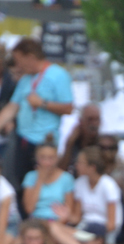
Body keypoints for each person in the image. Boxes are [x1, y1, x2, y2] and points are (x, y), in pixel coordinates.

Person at [0, 38, 73, 188]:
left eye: (19, 60)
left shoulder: (58, 75)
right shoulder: (25, 80)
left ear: (31, 57)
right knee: (20, 182)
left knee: (40, 184)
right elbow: (12, 107)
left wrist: (43, 104)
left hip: (44, 141)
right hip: (23, 140)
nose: (17, 65)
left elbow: (68, 108)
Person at [49, 146, 123, 244]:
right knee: (53, 227)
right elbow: (77, 218)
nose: (76, 165)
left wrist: (93, 233)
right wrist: (67, 215)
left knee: (56, 232)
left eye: (80, 162)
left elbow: (112, 224)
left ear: (92, 167)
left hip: (102, 232)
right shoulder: (80, 183)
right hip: (84, 228)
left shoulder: (109, 185)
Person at [21, 142, 74, 222]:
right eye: (42, 158)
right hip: (36, 221)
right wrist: (40, 180)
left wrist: (57, 223)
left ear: (57, 158)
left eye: (51, 158)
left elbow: (68, 211)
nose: (47, 162)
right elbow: (29, 209)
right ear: (36, 158)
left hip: (57, 221)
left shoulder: (67, 178)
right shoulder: (30, 177)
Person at [59, 104, 101, 173]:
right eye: (90, 119)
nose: (94, 124)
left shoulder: (103, 144)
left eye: (97, 119)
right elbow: (60, 171)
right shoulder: (74, 142)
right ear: (81, 121)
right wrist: (69, 144)